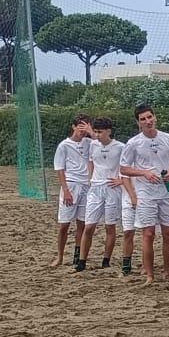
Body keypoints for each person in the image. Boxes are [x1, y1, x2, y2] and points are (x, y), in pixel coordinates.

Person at [118, 104, 169, 283]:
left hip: (166, 192)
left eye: (149, 117)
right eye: (143, 119)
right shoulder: (133, 143)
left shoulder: (168, 139)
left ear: (155, 117)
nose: (148, 121)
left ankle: (168, 271)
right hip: (145, 193)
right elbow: (124, 168)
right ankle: (149, 274)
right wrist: (144, 173)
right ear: (138, 122)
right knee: (148, 233)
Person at [81, 117, 127, 270]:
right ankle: (81, 261)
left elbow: (127, 166)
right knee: (89, 226)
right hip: (95, 188)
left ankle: (106, 260)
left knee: (110, 227)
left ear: (109, 131)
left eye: (100, 132)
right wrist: (90, 178)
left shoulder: (120, 147)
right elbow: (91, 162)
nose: (97, 135)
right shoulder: (93, 145)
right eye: (95, 132)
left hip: (112, 189)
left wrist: (121, 181)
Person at [50, 114, 92, 268]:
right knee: (64, 225)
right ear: (73, 127)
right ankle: (60, 256)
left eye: (86, 126)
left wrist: (91, 132)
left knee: (82, 224)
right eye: (80, 126)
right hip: (71, 184)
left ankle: (77, 256)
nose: (83, 130)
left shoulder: (90, 142)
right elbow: (60, 169)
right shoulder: (64, 145)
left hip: (86, 186)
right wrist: (66, 189)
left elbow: (102, 143)